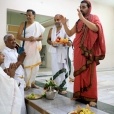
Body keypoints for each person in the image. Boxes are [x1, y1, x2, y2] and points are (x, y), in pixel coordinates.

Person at [60, 0, 106, 106]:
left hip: (89, 52)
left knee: (90, 73)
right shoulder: (78, 22)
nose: (81, 9)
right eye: (80, 7)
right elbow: (70, 33)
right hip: (78, 51)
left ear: (89, 8)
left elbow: (95, 28)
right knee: (79, 73)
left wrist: (82, 18)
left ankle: (92, 97)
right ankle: (79, 94)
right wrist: (64, 24)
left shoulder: (94, 17)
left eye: (84, 7)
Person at [17, 9, 45, 90]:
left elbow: (41, 37)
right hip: (26, 48)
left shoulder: (38, 25)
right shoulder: (23, 24)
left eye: (29, 15)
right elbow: (18, 36)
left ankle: (32, 83)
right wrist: (28, 39)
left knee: (35, 67)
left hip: (34, 48)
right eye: (27, 15)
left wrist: (35, 38)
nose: (28, 17)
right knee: (26, 65)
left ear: (34, 16)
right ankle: (27, 84)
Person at [1, 34, 27, 114]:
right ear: (6, 43)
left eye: (14, 39)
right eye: (11, 40)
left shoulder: (14, 50)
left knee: (21, 101)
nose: (14, 41)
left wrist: (20, 62)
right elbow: (9, 70)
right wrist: (20, 61)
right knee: (17, 102)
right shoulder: (5, 53)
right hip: (14, 81)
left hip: (20, 80)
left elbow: (17, 64)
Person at [47, 14, 72, 94]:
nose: (56, 21)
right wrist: (51, 43)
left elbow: (70, 43)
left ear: (62, 20)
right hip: (54, 52)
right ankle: (56, 86)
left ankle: (63, 87)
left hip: (63, 52)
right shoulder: (51, 29)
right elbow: (48, 40)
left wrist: (64, 42)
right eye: (55, 20)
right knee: (55, 69)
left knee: (63, 70)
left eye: (58, 19)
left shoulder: (66, 29)